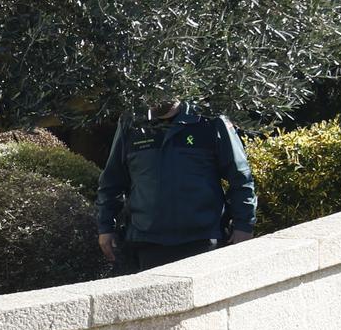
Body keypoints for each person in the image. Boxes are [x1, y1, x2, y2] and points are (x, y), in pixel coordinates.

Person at [96, 98, 258, 273]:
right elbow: (112, 181)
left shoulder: (210, 120)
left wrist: (244, 225)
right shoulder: (132, 122)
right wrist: (106, 226)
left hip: (202, 239)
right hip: (148, 240)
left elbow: (240, 177)